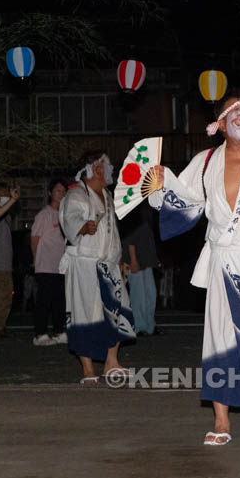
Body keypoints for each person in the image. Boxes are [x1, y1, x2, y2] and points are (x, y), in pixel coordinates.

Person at [147, 94, 240, 445]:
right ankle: (221, 419)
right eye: (239, 114)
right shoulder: (205, 162)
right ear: (221, 125)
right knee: (221, 338)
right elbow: (183, 201)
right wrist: (161, 182)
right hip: (223, 259)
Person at [59, 152, 134, 383]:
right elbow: (70, 219)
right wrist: (83, 227)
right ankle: (88, 369)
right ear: (94, 169)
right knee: (85, 313)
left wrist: (118, 258)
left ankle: (111, 363)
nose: (109, 170)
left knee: (117, 309)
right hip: (85, 264)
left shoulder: (107, 196)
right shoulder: (76, 194)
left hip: (108, 264)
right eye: (104, 165)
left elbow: (112, 232)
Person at [30, 179, 68, 345]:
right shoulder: (44, 214)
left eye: (63, 191)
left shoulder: (65, 214)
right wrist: (35, 259)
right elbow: (34, 238)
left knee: (60, 300)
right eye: (58, 190)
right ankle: (40, 334)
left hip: (61, 265)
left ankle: (59, 331)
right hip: (45, 265)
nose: (61, 193)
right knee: (44, 301)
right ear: (50, 193)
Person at [121, 205, 160, 336]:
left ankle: (150, 326)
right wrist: (133, 260)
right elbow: (129, 239)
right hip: (135, 259)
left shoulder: (147, 210)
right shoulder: (133, 209)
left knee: (150, 293)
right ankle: (139, 326)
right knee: (138, 295)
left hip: (146, 258)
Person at [0, 182, 20, 338]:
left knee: (6, 298)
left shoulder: (7, 215)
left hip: (6, 265)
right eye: (5, 194)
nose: (8, 197)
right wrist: (12, 201)